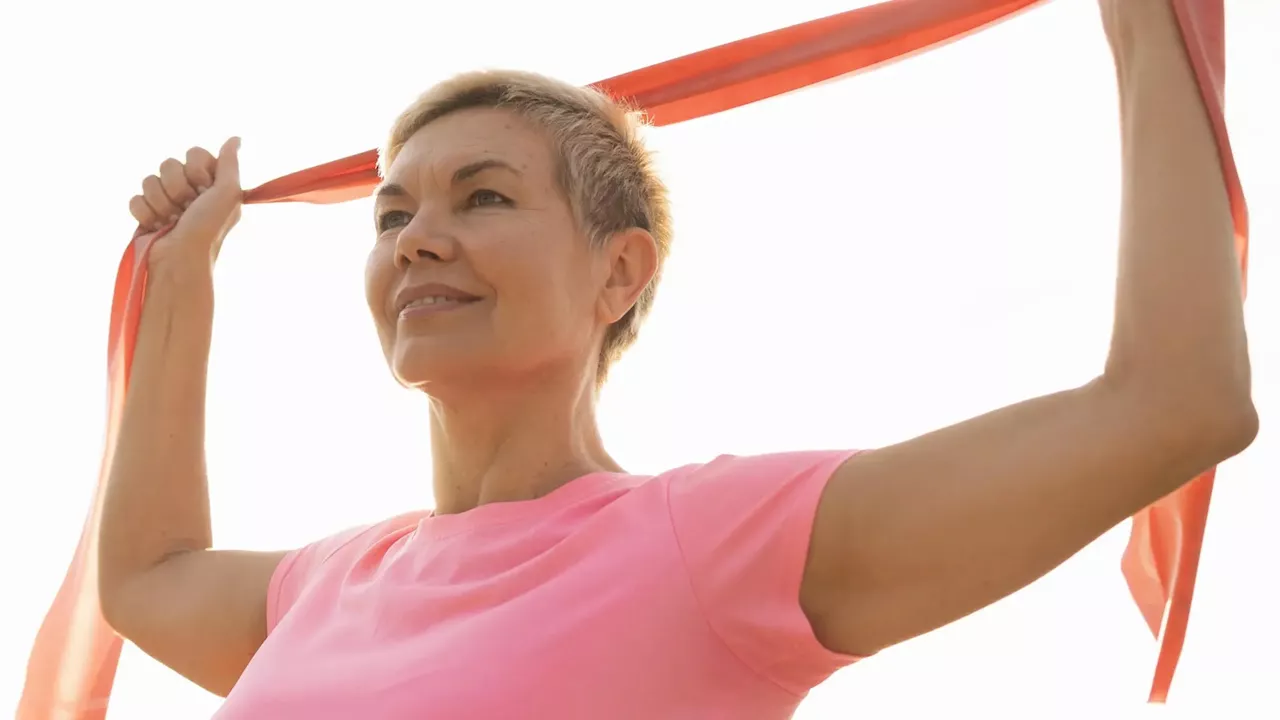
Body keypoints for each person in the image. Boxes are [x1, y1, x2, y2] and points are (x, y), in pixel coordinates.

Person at [100, 1, 1256, 717]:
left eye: (483, 197)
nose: (418, 239)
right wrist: (185, 276)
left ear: (619, 274)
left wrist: (1144, 25)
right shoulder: (326, 584)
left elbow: (1173, 403)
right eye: (389, 215)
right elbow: (146, 577)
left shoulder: (708, 546)